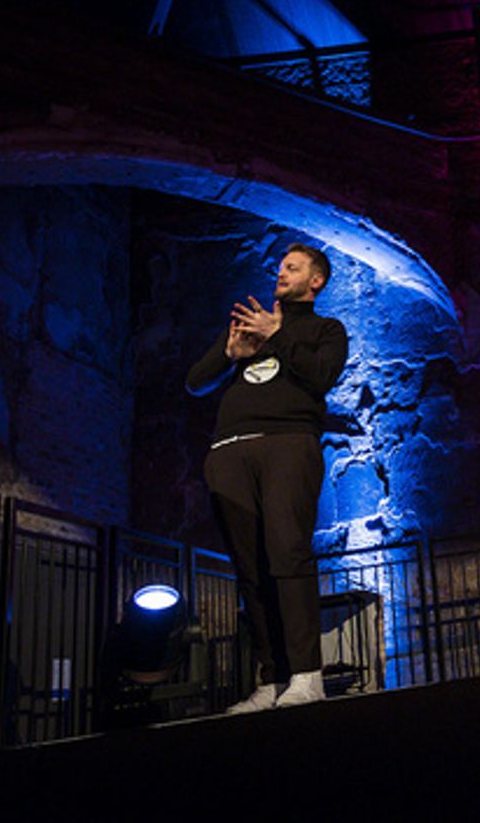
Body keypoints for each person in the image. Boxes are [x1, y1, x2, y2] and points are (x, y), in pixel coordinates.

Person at [186, 242, 348, 712]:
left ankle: (306, 675)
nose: (281, 273)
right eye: (280, 267)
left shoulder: (325, 330)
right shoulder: (248, 326)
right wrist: (230, 354)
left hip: (287, 445)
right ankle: (271, 678)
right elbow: (195, 382)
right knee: (250, 570)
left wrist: (278, 335)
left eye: (292, 268)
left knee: (287, 554)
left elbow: (322, 375)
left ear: (316, 281)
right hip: (230, 450)